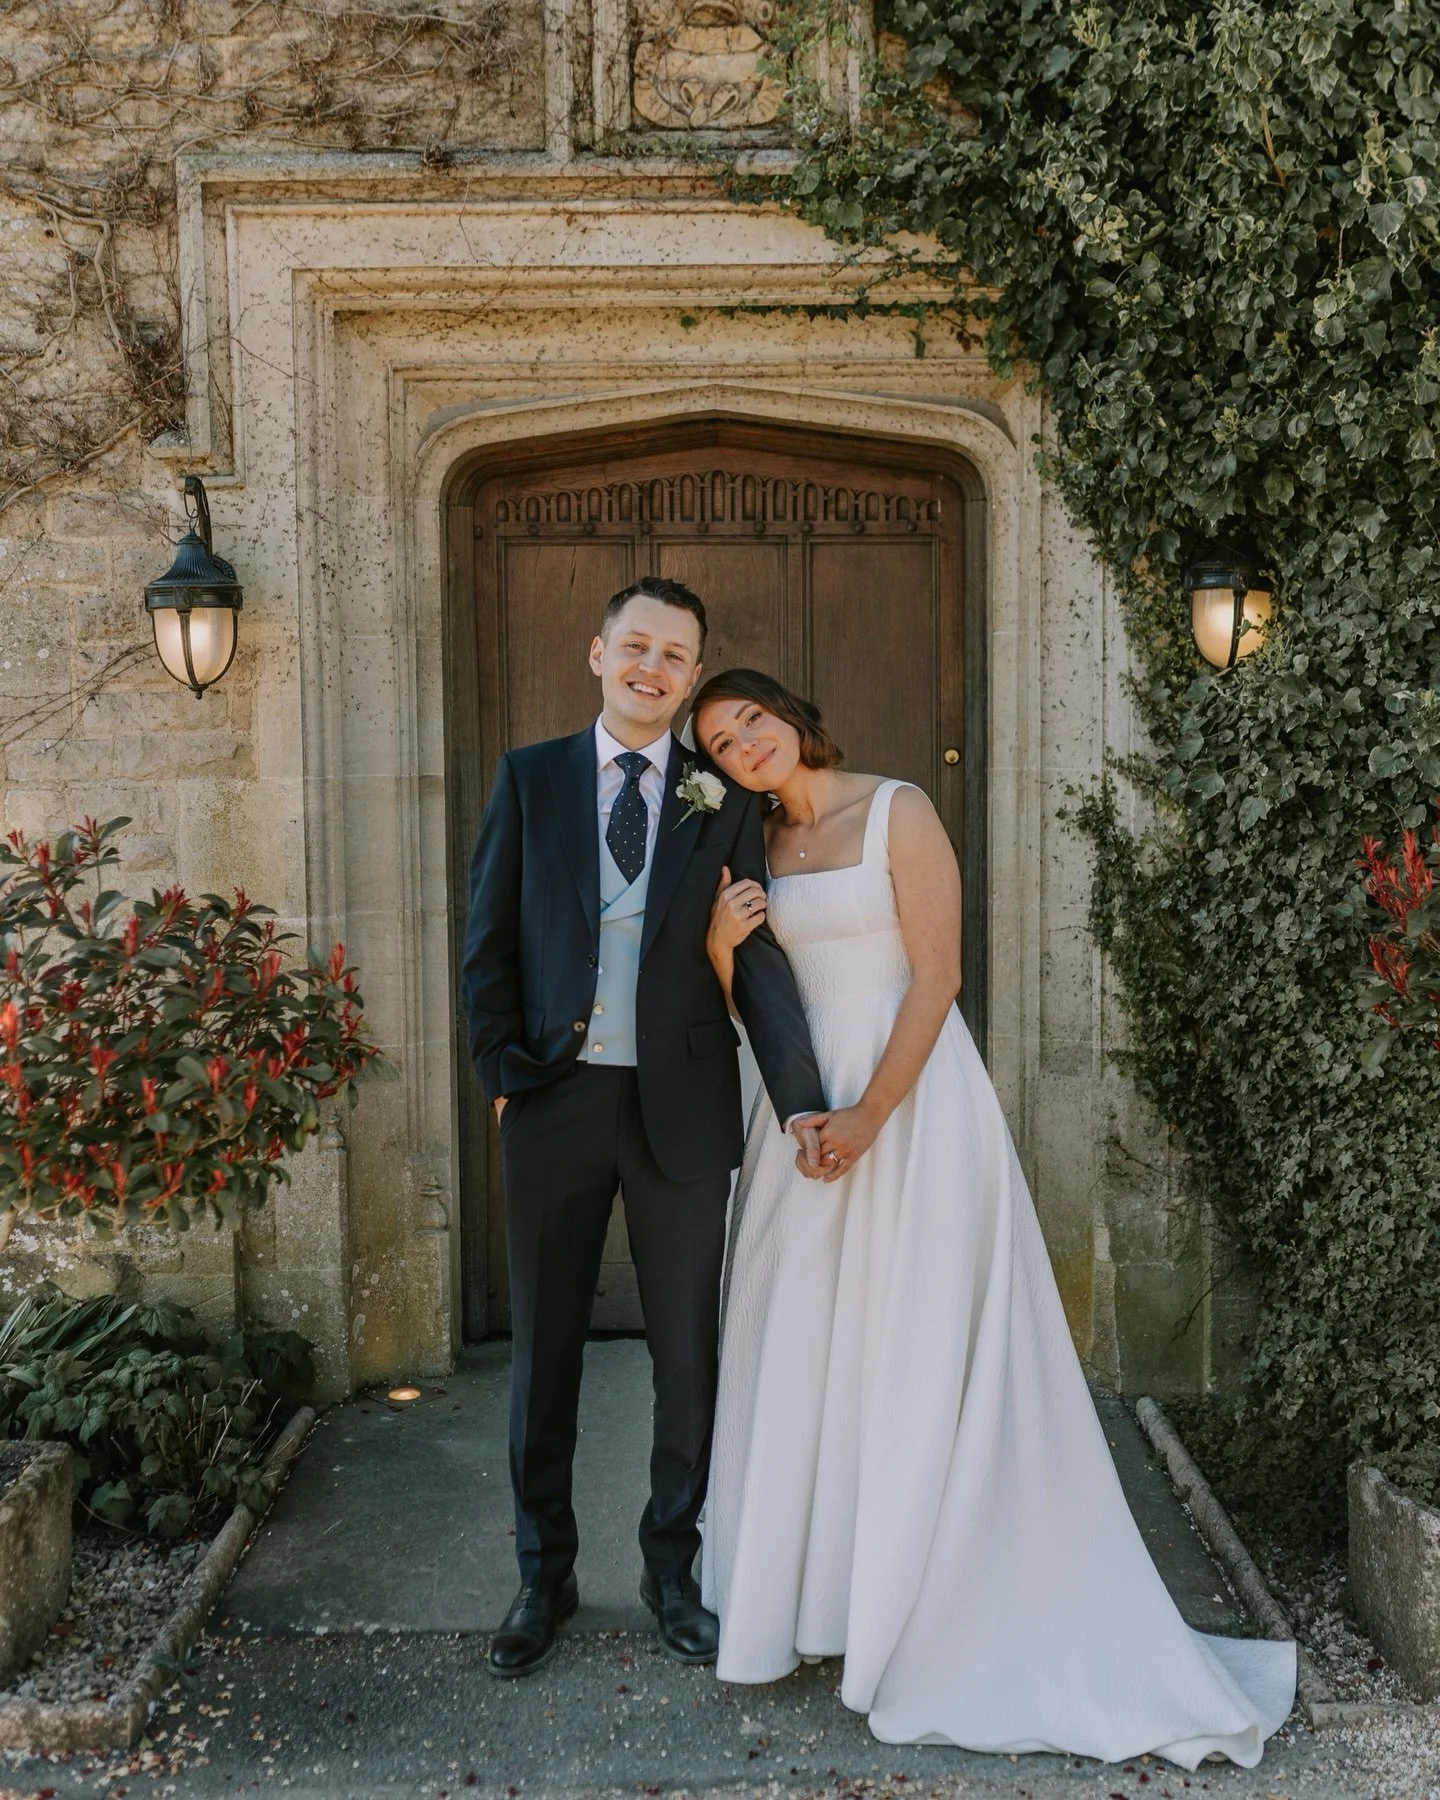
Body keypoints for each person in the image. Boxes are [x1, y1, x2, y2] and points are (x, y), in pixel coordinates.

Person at [691, 667, 1297, 1768]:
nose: (744, 748)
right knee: (803, 1345)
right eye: (723, 746)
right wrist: (726, 955)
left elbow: (938, 976)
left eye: (751, 722)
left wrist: (875, 1112)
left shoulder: (898, 809)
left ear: (788, 714)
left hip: (912, 1106)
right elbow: (762, 1002)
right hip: (799, 1114)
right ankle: (818, 1601)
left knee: (910, 1340)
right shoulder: (755, 854)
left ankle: (917, 1605)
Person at [460, 582, 828, 1679]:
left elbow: (755, 958)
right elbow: (488, 938)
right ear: (598, 653)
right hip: (556, 1103)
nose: (652, 667)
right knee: (545, 1351)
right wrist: (502, 1076)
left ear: (692, 668)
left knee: (688, 1355)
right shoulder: (530, 779)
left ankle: (673, 1570)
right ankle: (544, 1572)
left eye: (676, 655)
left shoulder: (720, 800)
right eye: (637, 646)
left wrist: (801, 1095)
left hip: (682, 1106)